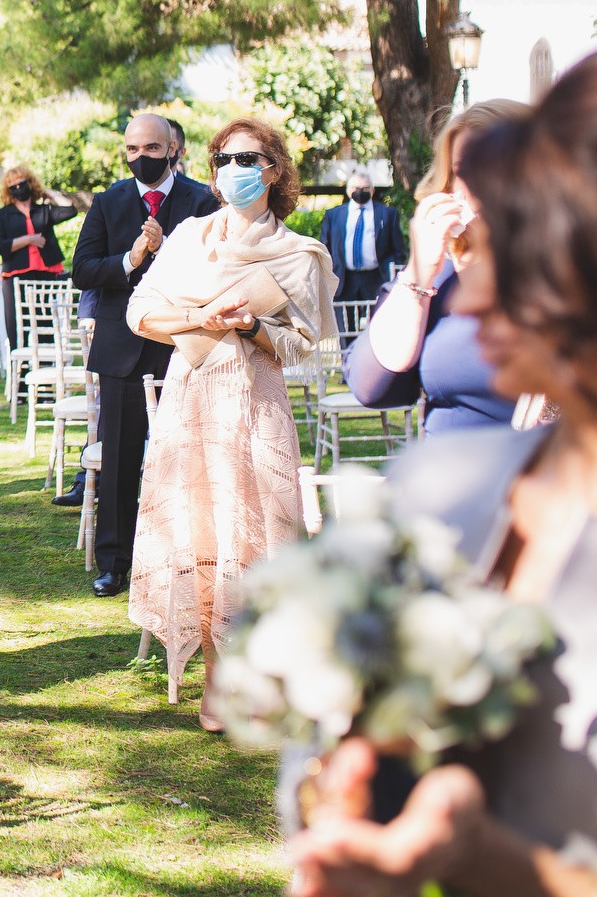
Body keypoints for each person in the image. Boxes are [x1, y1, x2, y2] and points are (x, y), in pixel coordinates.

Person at [287, 35, 597, 897]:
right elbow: (330, 768)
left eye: (528, 250)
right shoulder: (432, 490)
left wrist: (492, 863)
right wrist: (339, 809)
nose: (482, 294)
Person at [123, 118, 333, 729]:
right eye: (221, 158)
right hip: (191, 402)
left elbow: (307, 346)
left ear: (273, 169)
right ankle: (217, 677)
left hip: (256, 403)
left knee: (259, 536)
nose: (231, 169)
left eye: (246, 158)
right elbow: (139, 310)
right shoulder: (188, 239)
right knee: (203, 534)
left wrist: (251, 328)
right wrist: (200, 320)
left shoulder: (299, 255)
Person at [69, 112, 220, 597]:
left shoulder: (201, 200)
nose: (141, 158)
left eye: (151, 149)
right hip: (122, 352)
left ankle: (189, 560)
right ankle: (114, 562)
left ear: (172, 148)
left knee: (189, 458)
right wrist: (132, 258)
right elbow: (84, 270)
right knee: (117, 460)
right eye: (132, 150)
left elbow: (218, 267)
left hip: (185, 346)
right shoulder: (108, 202)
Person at [344, 100, 529, 435]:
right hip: (450, 477)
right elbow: (370, 386)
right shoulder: (439, 275)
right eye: (463, 170)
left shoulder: (577, 270)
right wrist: (418, 273)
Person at [0, 164, 77, 348]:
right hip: (16, 275)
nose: (18, 189)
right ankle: (21, 368)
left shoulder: (44, 211)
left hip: (46, 273)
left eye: (21, 184)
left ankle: (44, 369)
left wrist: (49, 193)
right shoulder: (2, 215)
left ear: (30, 183)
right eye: (12, 187)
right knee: (18, 324)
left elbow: (71, 210)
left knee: (45, 321)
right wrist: (29, 239)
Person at [317, 166, 405, 304]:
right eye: (356, 188)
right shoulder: (334, 215)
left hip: (377, 277)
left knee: (377, 321)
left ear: (372, 190)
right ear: (348, 190)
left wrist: (393, 275)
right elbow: (324, 247)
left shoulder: (387, 214)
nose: (360, 191)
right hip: (343, 279)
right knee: (345, 323)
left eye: (365, 188)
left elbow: (398, 249)